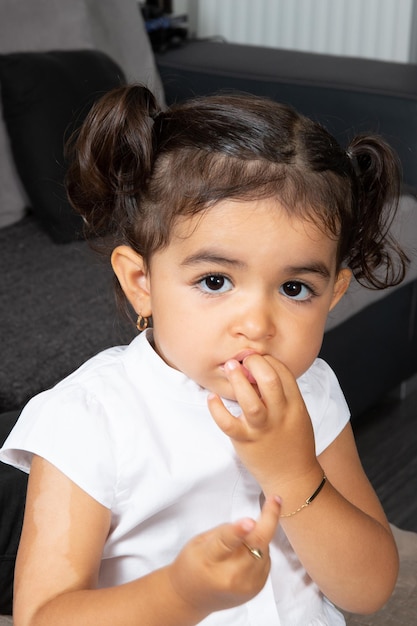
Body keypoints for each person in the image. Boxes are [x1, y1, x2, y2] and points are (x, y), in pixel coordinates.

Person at [0, 85, 408, 626]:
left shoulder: (311, 389)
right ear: (141, 282)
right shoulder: (87, 418)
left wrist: (294, 472)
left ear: (333, 292)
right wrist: (179, 595)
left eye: (294, 289)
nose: (257, 325)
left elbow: (369, 589)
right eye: (215, 280)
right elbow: (43, 616)